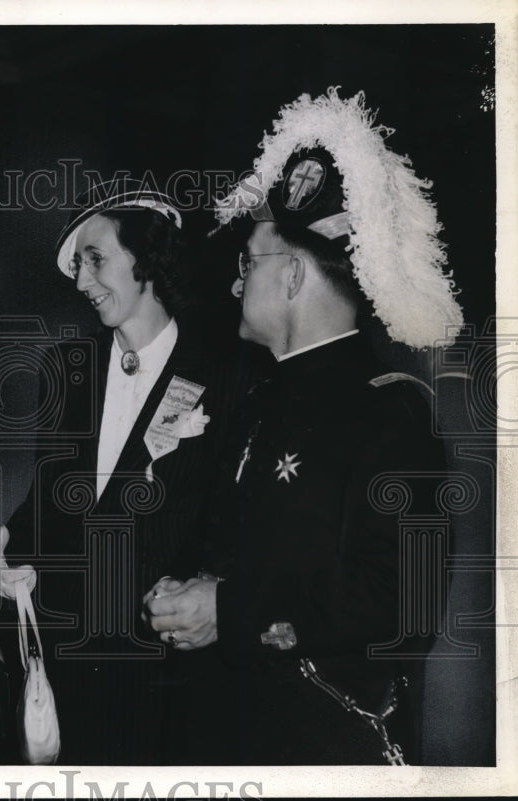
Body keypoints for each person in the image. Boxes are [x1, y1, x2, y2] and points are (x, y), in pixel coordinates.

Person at [144, 89, 463, 764]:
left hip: (317, 745)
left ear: (290, 276)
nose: (235, 285)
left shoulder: (389, 410)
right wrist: (184, 587)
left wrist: (228, 610)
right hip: (229, 735)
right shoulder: (262, 398)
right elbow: (239, 548)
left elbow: (405, 598)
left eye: (247, 263)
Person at [2, 179, 248, 765]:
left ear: (145, 258)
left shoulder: (225, 373)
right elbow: (49, 500)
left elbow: (230, 522)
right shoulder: (68, 367)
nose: (83, 282)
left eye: (96, 260)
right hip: (70, 658)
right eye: (78, 267)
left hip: (165, 673)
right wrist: (4, 550)